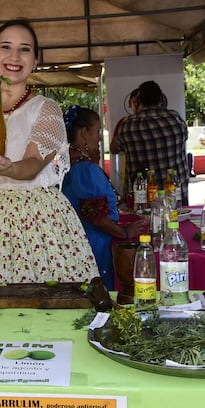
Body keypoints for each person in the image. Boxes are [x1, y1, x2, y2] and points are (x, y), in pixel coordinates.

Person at [0, 20, 98, 285]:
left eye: (25, 49)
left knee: (48, 309)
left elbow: (32, 164)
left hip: (39, 223)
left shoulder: (45, 108)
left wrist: (8, 168)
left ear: (35, 61)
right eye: (5, 47)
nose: (15, 56)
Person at [62, 106, 145, 289]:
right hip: (95, 244)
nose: (100, 137)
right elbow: (96, 217)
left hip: (81, 241)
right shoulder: (85, 169)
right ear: (84, 133)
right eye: (97, 131)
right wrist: (124, 232)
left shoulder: (70, 161)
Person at [112, 80, 189, 204]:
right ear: (161, 99)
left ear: (139, 101)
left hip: (142, 198)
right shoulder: (175, 119)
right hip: (175, 195)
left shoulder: (127, 124)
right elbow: (184, 138)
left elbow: (113, 149)